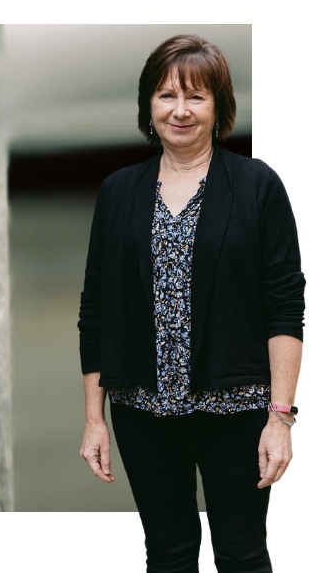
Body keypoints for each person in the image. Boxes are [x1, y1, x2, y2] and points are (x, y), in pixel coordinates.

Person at [77, 34, 303, 573]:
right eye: (165, 95)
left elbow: (284, 306)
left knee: (242, 553)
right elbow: (96, 309)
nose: (179, 110)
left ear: (219, 108)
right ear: (147, 105)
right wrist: (94, 419)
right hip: (143, 411)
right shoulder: (118, 191)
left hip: (237, 407)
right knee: (169, 553)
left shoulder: (256, 186)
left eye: (196, 97)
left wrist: (280, 420)